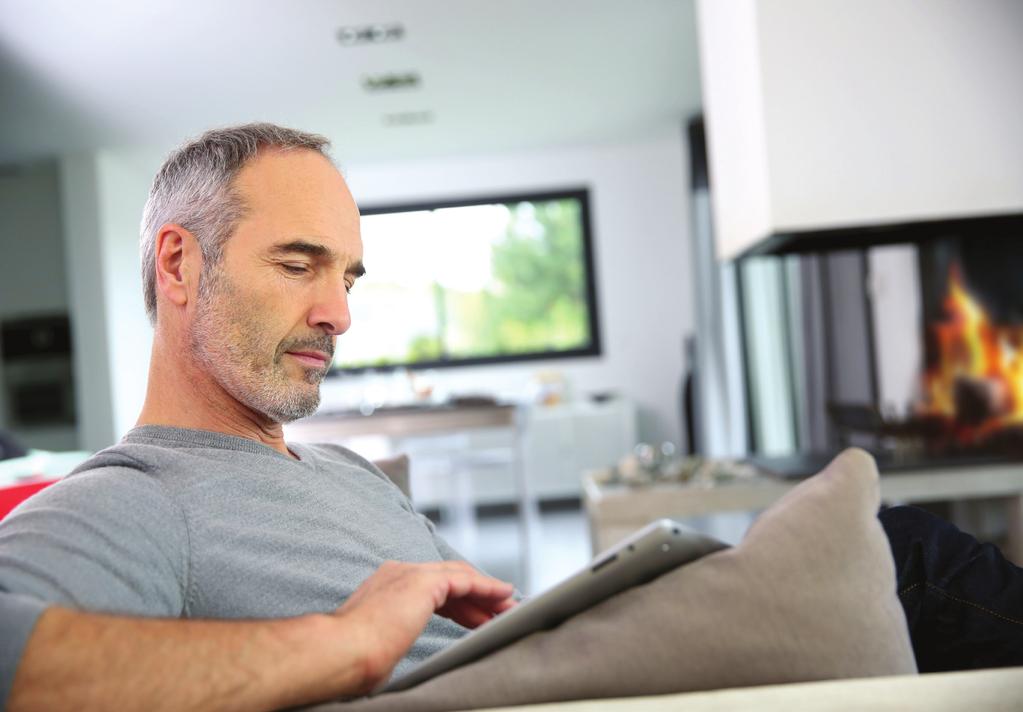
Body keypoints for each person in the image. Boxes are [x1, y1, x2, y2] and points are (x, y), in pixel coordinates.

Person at [0, 124, 1020, 712]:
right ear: (179, 264)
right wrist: (345, 643)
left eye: (348, 273)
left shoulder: (344, 469)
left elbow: (494, 623)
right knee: (901, 553)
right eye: (299, 263)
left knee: (882, 545)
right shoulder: (137, 496)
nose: (340, 312)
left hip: (554, 663)